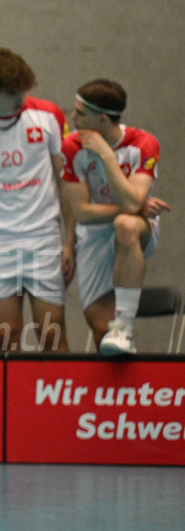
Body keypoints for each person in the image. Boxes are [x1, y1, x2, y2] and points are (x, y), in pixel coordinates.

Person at [0, 48, 74, 352]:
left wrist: (69, 242)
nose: (19, 99)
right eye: (10, 93)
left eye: (22, 91)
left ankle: (61, 399)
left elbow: (66, 181)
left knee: (51, 333)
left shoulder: (49, 117)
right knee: (7, 337)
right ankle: (14, 401)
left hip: (44, 237)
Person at [61, 79, 167, 355]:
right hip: (94, 231)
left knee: (126, 225)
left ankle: (125, 326)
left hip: (139, 228)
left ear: (102, 119)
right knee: (99, 327)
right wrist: (69, 245)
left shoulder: (144, 144)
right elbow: (83, 212)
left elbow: (132, 203)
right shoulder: (72, 147)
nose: (72, 118)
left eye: (80, 113)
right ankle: (118, 390)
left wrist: (107, 156)